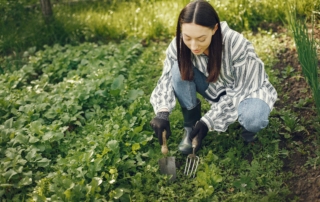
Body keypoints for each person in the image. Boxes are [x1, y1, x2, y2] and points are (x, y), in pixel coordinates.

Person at [149, 0, 277, 154]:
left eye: (201, 39)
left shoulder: (235, 44)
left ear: (215, 29)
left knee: (253, 118)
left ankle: (247, 130)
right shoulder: (179, 44)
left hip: (247, 91)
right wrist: (162, 112)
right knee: (177, 69)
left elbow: (240, 91)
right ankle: (191, 128)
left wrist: (207, 121)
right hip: (214, 87)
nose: (194, 45)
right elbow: (166, 78)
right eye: (188, 38)